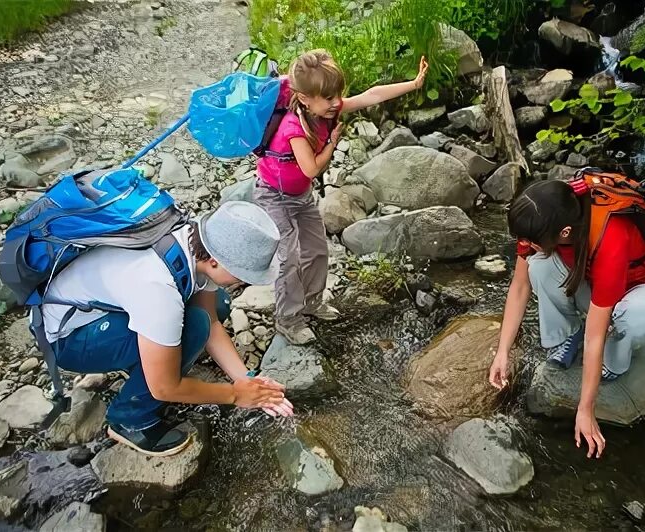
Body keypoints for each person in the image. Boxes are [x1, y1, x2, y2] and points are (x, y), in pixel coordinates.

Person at [42, 201, 294, 457]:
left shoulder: (195, 241)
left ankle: (146, 361)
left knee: (217, 306)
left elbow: (212, 320)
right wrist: (235, 395)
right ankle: (128, 418)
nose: (244, 281)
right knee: (193, 327)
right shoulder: (158, 289)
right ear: (215, 261)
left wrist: (246, 378)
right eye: (242, 274)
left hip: (100, 308)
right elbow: (164, 387)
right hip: (68, 339)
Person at [254, 49, 429, 345]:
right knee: (289, 258)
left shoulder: (325, 108)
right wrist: (332, 143)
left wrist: (413, 84)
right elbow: (311, 168)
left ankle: (311, 302)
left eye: (338, 95)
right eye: (329, 98)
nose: (337, 103)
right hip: (274, 196)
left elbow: (371, 95)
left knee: (318, 251)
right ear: (305, 98)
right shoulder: (293, 127)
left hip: (300, 195)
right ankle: (288, 319)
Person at [488, 179, 645, 459]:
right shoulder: (543, 216)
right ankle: (568, 333)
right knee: (539, 267)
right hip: (592, 286)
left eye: (530, 241)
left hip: (638, 291)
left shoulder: (611, 234)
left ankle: (616, 361)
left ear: (565, 232)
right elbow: (520, 286)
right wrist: (502, 352)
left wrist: (586, 410)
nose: (524, 245)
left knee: (634, 320)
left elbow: (595, 336)